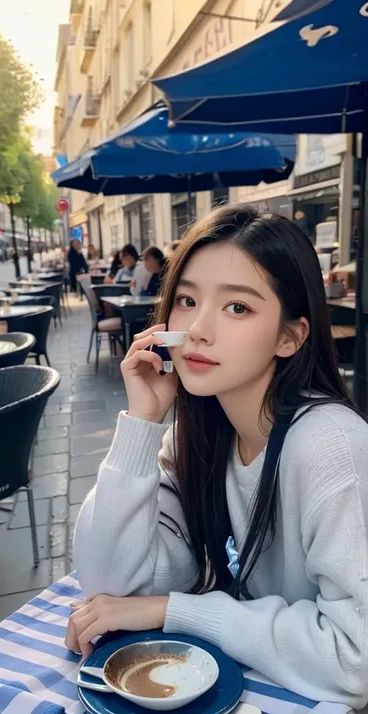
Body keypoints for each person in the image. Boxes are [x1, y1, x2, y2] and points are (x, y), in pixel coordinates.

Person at [68, 205, 368, 709]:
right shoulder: (201, 431)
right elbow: (108, 583)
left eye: (237, 308)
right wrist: (142, 423)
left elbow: (355, 660)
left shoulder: (331, 448)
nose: (199, 330)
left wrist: (175, 611)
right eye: (186, 300)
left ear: (290, 336)